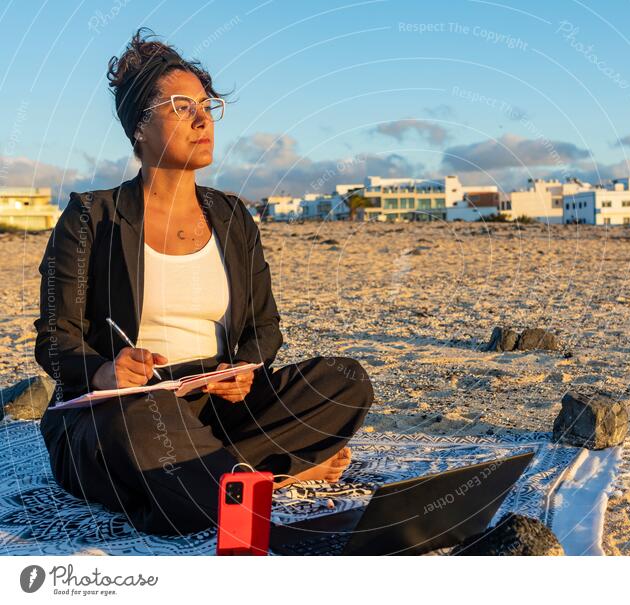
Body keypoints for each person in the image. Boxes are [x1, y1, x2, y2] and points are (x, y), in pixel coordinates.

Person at [33, 28, 374, 535]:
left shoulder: (232, 216)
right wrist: (105, 372)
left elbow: (265, 326)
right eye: (179, 105)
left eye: (206, 105)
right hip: (128, 410)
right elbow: (54, 340)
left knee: (345, 381)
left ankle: (217, 477)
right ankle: (271, 476)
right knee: (143, 425)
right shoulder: (91, 217)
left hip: (217, 403)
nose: (201, 118)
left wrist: (244, 368)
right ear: (140, 128)